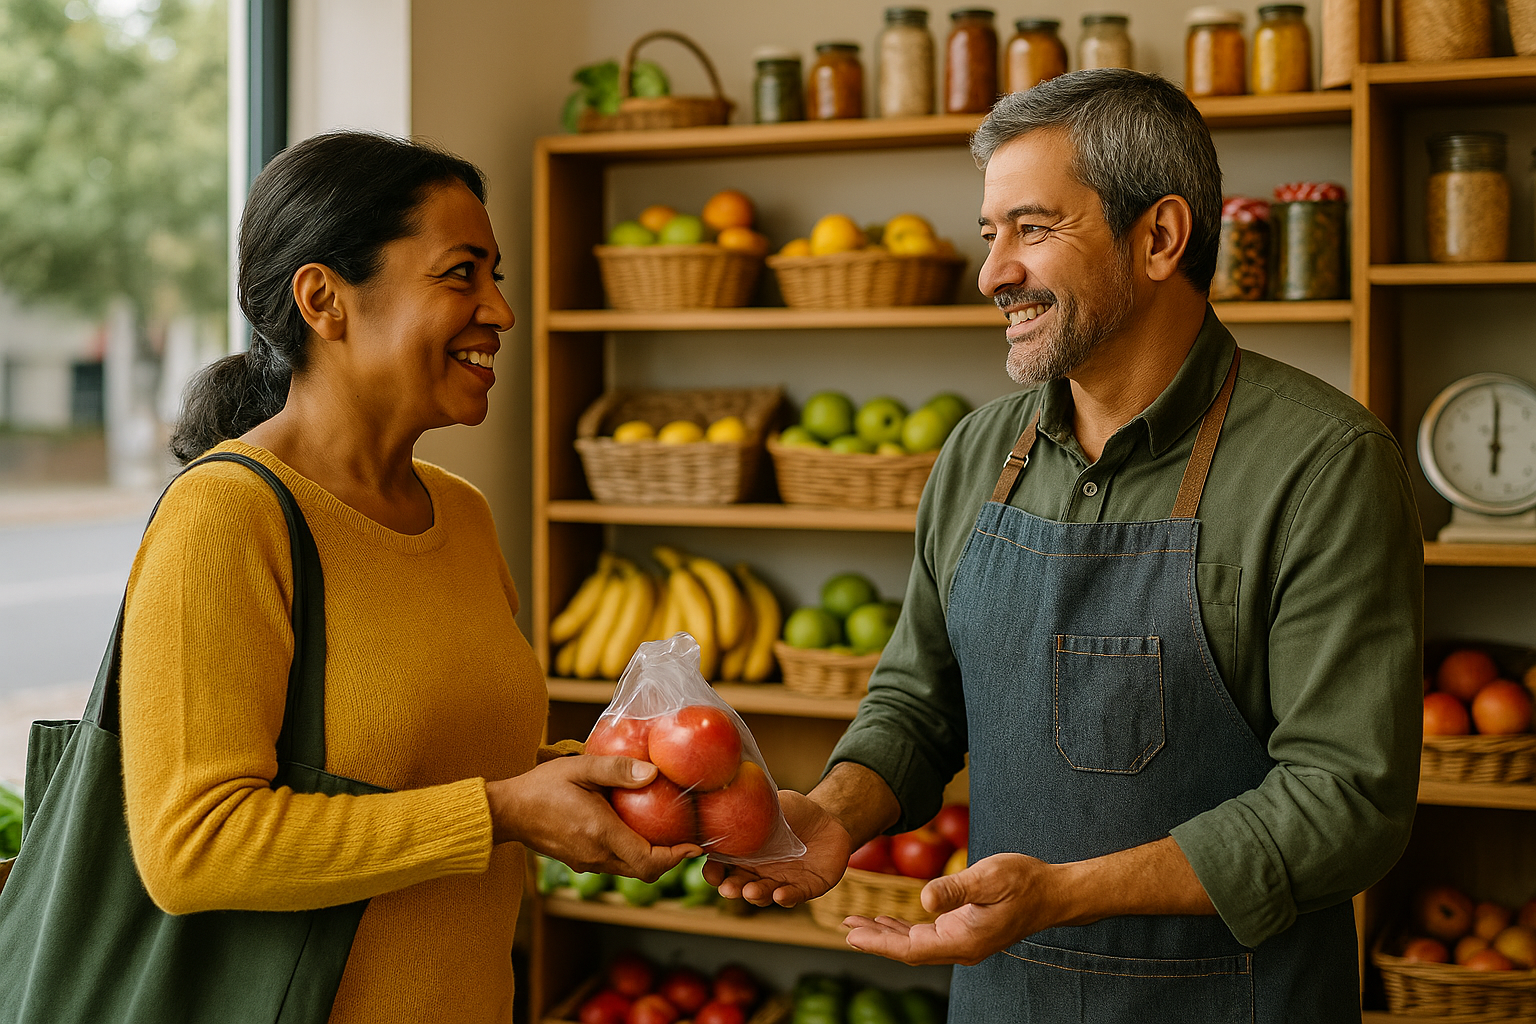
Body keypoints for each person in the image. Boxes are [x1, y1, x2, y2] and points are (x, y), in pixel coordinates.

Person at [707, 70, 1423, 1021]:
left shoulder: (1325, 466)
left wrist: (1065, 894)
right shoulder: (977, 452)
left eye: (1033, 229)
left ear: (1159, 238)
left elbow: (1348, 803)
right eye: (989, 234)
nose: (992, 274)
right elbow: (919, 699)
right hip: (1003, 998)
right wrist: (834, 814)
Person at [122, 131, 697, 1024]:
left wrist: (603, 786)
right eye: (462, 274)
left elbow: (458, 771)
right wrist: (503, 813)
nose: (502, 310)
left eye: (495, 275)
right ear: (324, 299)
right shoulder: (225, 518)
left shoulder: (460, 513)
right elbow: (193, 849)